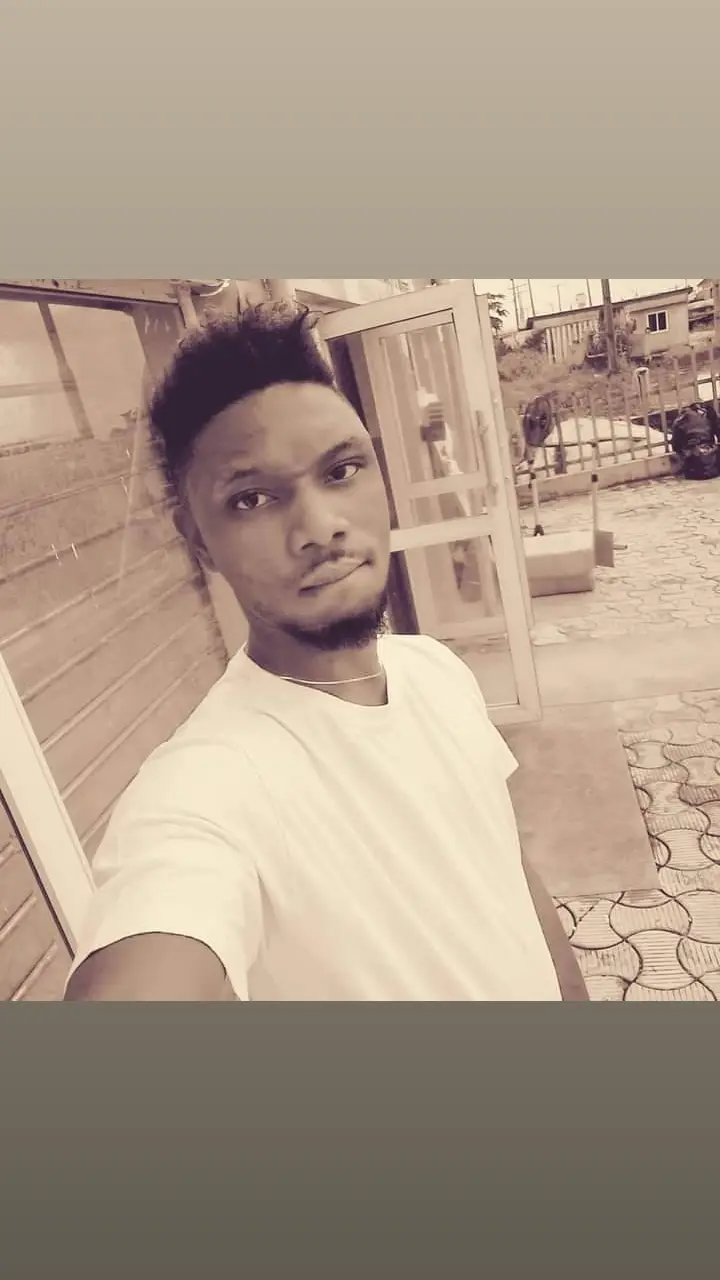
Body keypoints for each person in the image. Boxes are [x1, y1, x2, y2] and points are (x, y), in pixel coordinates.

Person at [65, 304, 587, 1002]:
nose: (319, 527)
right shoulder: (211, 785)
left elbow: (509, 872)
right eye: (252, 499)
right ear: (198, 541)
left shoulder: (436, 671)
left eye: (341, 471)